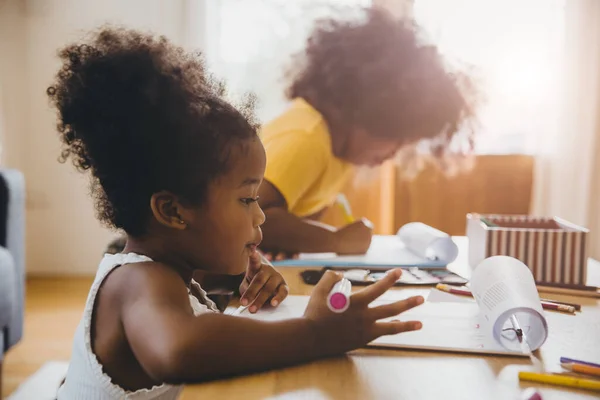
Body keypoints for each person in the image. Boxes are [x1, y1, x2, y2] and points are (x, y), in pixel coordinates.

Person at [48, 27, 424, 399]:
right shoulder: (138, 281)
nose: (261, 216)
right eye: (247, 199)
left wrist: (234, 283)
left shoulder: (169, 275)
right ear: (173, 211)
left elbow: (196, 329)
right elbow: (179, 350)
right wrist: (316, 334)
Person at [258, 6, 478, 260]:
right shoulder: (306, 138)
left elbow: (284, 225)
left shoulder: (338, 153)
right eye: (395, 138)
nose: (393, 154)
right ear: (367, 113)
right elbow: (253, 217)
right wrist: (336, 240)